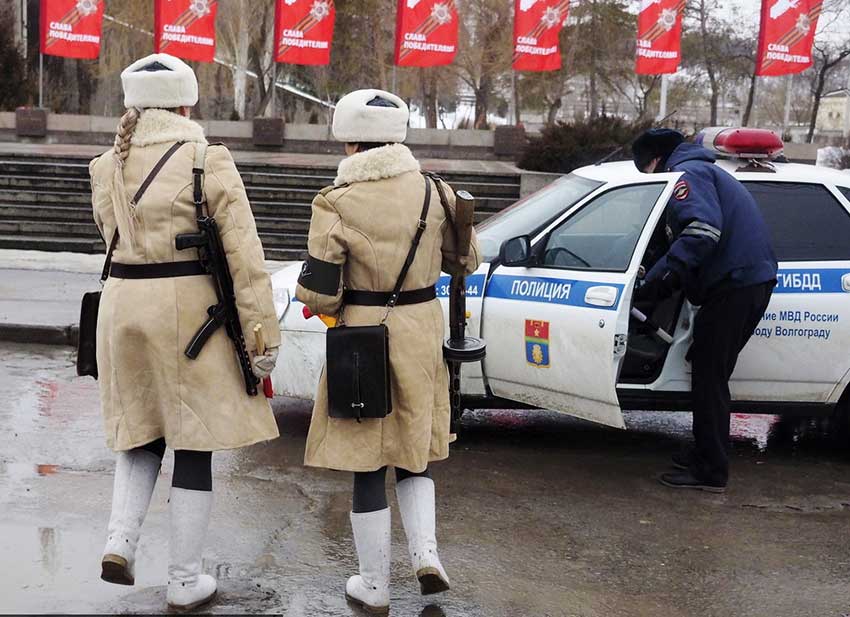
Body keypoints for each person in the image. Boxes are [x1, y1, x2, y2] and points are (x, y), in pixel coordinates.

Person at [89, 53, 280, 611]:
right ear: (186, 103)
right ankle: (184, 579)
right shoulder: (205, 158)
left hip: (121, 305)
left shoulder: (107, 164)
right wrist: (262, 336)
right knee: (193, 440)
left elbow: (110, 236)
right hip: (189, 312)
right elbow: (244, 258)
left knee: (140, 427)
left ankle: (119, 541)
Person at [295, 89, 481, 614]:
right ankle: (427, 556)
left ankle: (373, 585)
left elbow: (320, 291)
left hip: (363, 335)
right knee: (415, 450)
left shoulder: (336, 200)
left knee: (368, 459)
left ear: (349, 139)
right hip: (422, 329)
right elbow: (465, 260)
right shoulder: (436, 192)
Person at [632, 128, 777, 493]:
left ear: (654, 161)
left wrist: (659, 281)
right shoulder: (702, 171)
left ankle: (711, 471)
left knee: (710, 379)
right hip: (742, 282)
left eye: (646, 171)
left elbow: (701, 232)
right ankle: (705, 451)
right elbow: (677, 236)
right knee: (708, 371)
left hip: (735, 286)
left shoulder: (687, 175)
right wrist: (656, 267)